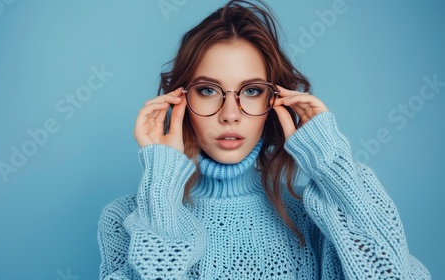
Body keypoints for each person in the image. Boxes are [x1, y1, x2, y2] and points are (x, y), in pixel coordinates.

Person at [97, 0, 430, 279]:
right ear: (180, 99)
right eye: (208, 90)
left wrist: (331, 165)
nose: (230, 113)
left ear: (274, 100)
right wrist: (161, 190)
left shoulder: (316, 216)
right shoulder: (128, 218)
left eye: (252, 90)